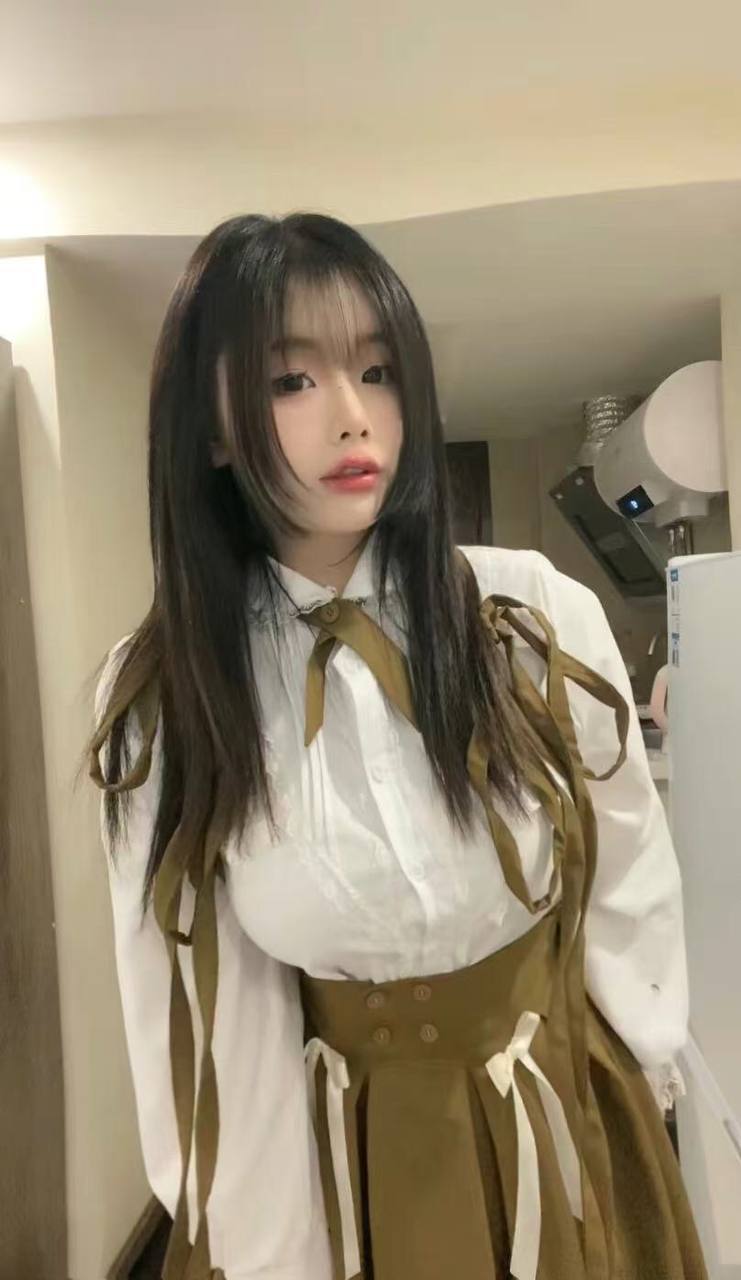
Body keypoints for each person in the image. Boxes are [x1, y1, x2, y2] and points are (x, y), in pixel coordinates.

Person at [88, 212, 706, 1280]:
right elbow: (199, 998)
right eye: (291, 381)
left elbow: (624, 859)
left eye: (378, 371)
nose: (352, 415)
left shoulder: (528, 614)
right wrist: (271, 1245)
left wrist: (643, 1065)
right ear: (214, 431)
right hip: (350, 1155)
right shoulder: (169, 692)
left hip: (563, 1110)